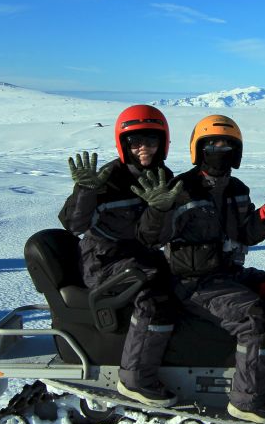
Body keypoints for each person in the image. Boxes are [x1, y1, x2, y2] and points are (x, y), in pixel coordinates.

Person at [133, 114, 265, 423]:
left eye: (227, 144)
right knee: (255, 320)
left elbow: (245, 233)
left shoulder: (237, 189)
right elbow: (149, 237)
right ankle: (246, 401)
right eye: (212, 144)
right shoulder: (180, 189)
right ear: (198, 150)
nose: (220, 150)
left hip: (226, 276)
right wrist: (157, 210)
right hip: (191, 282)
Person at [59, 104, 182, 407]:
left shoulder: (163, 177)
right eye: (136, 142)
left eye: (150, 141)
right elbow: (74, 224)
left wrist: (159, 209)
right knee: (153, 295)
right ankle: (135, 378)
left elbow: (154, 237)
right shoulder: (107, 179)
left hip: (141, 257)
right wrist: (85, 191)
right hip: (103, 261)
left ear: (162, 143)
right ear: (123, 144)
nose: (144, 149)